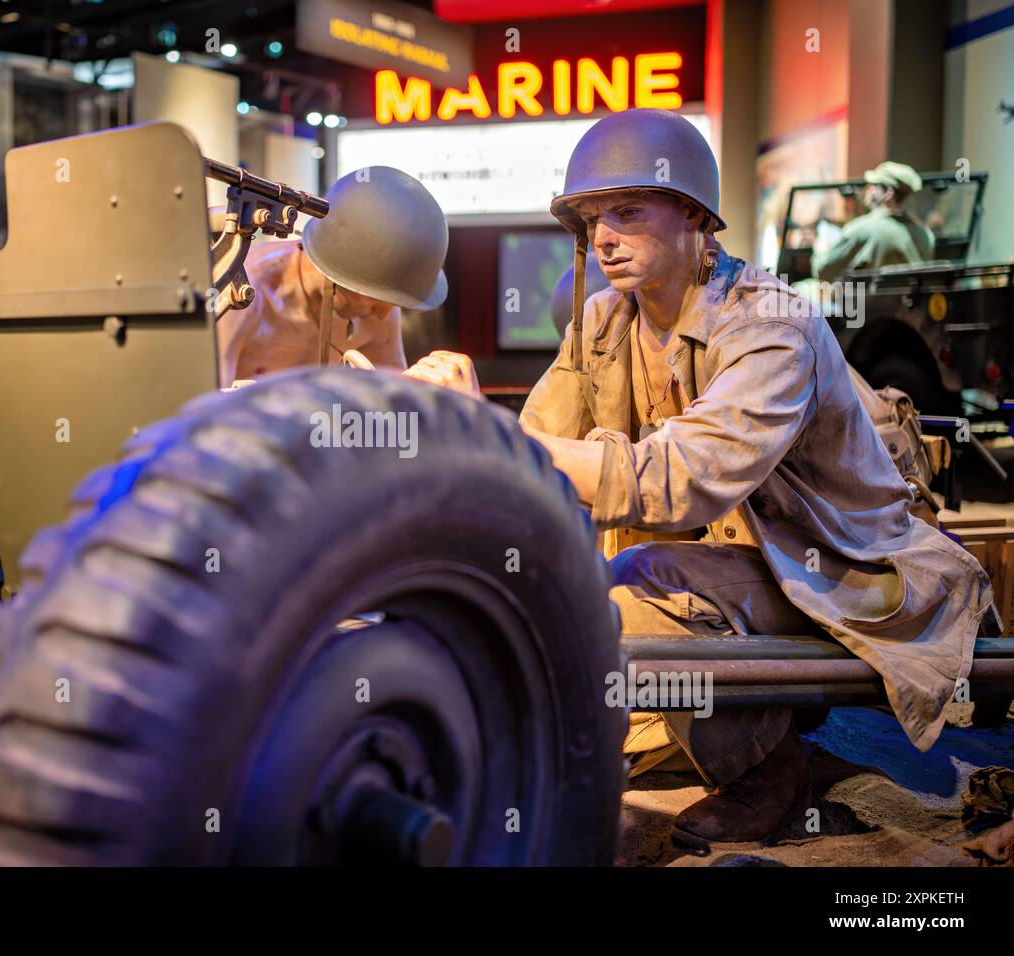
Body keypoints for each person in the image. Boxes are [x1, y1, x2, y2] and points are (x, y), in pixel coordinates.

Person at [420, 109, 991, 851]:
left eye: (627, 212)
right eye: (593, 218)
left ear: (693, 215)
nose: (603, 236)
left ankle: (768, 775)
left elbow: (680, 481)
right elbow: (540, 452)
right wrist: (438, 417)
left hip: (843, 571)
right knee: (578, 588)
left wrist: (493, 434)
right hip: (740, 563)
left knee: (632, 590)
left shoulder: (770, 323)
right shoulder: (604, 321)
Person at [216, 166, 448, 387]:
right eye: (380, 301)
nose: (384, 314)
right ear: (343, 271)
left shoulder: (377, 299)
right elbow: (198, 413)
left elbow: (397, 412)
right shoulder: (240, 295)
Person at [811, 161, 935, 279]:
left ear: (888, 193)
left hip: (867, 301)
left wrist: (820, 249)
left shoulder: (863, 229)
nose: (867, 189)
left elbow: (824, 271)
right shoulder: (925, 234)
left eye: (873, 185)